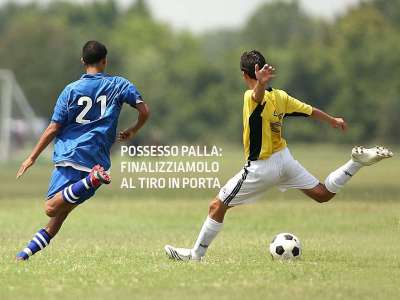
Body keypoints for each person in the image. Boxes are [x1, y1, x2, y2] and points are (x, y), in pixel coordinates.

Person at [164, 50, 393, 261]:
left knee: (216, 206)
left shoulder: (250, 96)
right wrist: (333, 120)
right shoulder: (281, 96)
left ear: (244, 74)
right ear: (261, 70)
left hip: (261, 167)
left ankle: (196, 255)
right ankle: (354, 163)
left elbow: (256, 97)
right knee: (323, 194)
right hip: (285, 159)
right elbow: (309, 110)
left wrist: (260, 85)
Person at [16, 40, 150, 260]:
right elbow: (144, 111)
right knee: (60, 214)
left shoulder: (70, 90)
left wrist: (31, 157)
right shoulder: (119, 85)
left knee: (51, 208)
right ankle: (24, 255)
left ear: (82, 61)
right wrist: (133, 130)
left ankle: (90, 180)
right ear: (105, 61)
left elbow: (53, 127)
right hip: (97, 159)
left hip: (71, 155)